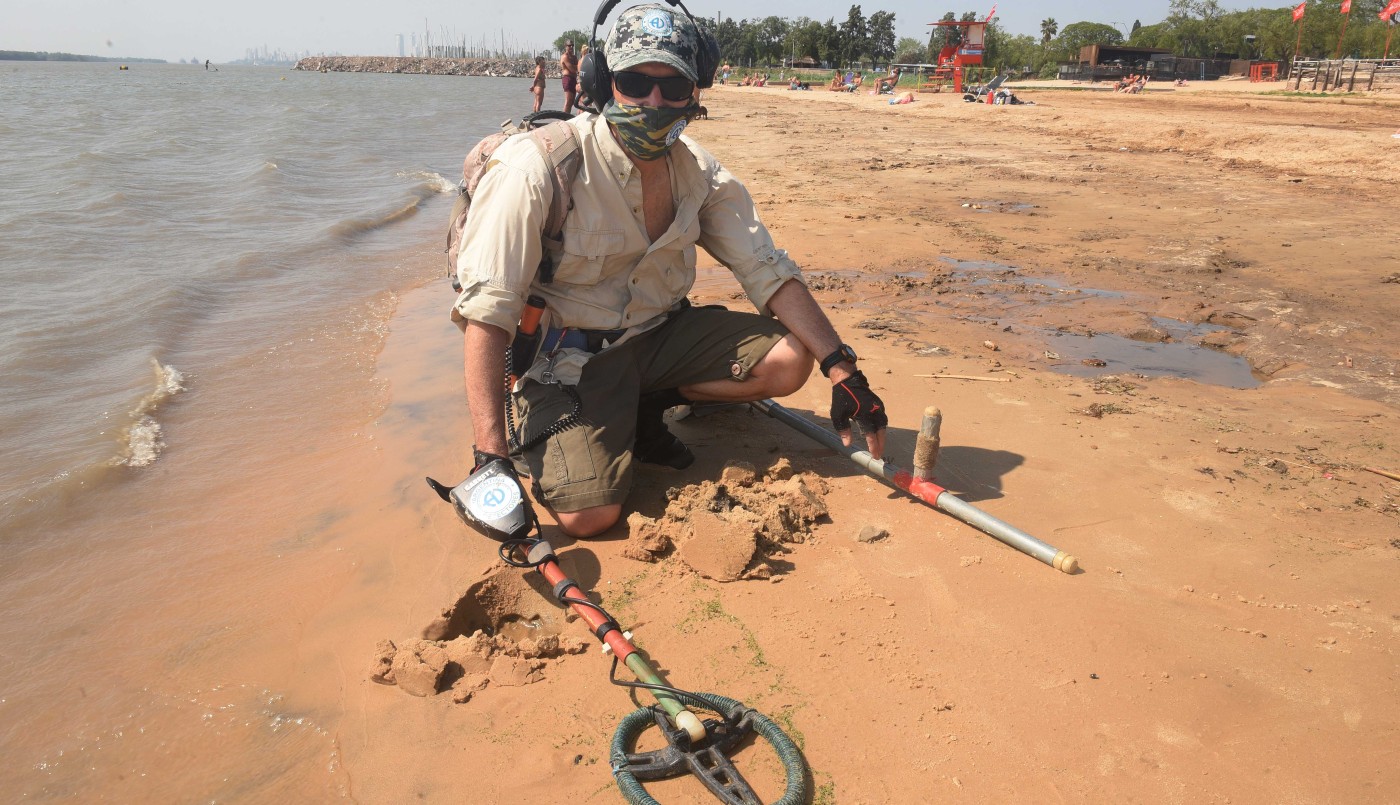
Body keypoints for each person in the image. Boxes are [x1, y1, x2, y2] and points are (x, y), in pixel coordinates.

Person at [452, 3, 889, 538]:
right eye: (635, 81)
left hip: (659, 334)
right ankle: (537, 424)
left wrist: (844, 370)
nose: (653, 101)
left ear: (695, 90)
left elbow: (765, 270)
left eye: (672, 86)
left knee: (789, 361)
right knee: (589, 517)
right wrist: (488, 455)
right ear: (602, 82)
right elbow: (487, 314)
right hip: (567, 361)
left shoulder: (699, 172)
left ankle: (649, 401)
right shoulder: (538, 167)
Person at [560, 41, 580, 114]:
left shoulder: (574, 57)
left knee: (572, 102)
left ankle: (567, 116)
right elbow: (572, 69)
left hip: (573, 79)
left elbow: (578, 67)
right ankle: (564, 118)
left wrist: (575, 66)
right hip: (567, 79)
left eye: (572, 45)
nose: (571, 47)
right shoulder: (565, 56)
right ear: (566, 46)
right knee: (568, 100)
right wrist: (575, 66)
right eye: (569, 45)